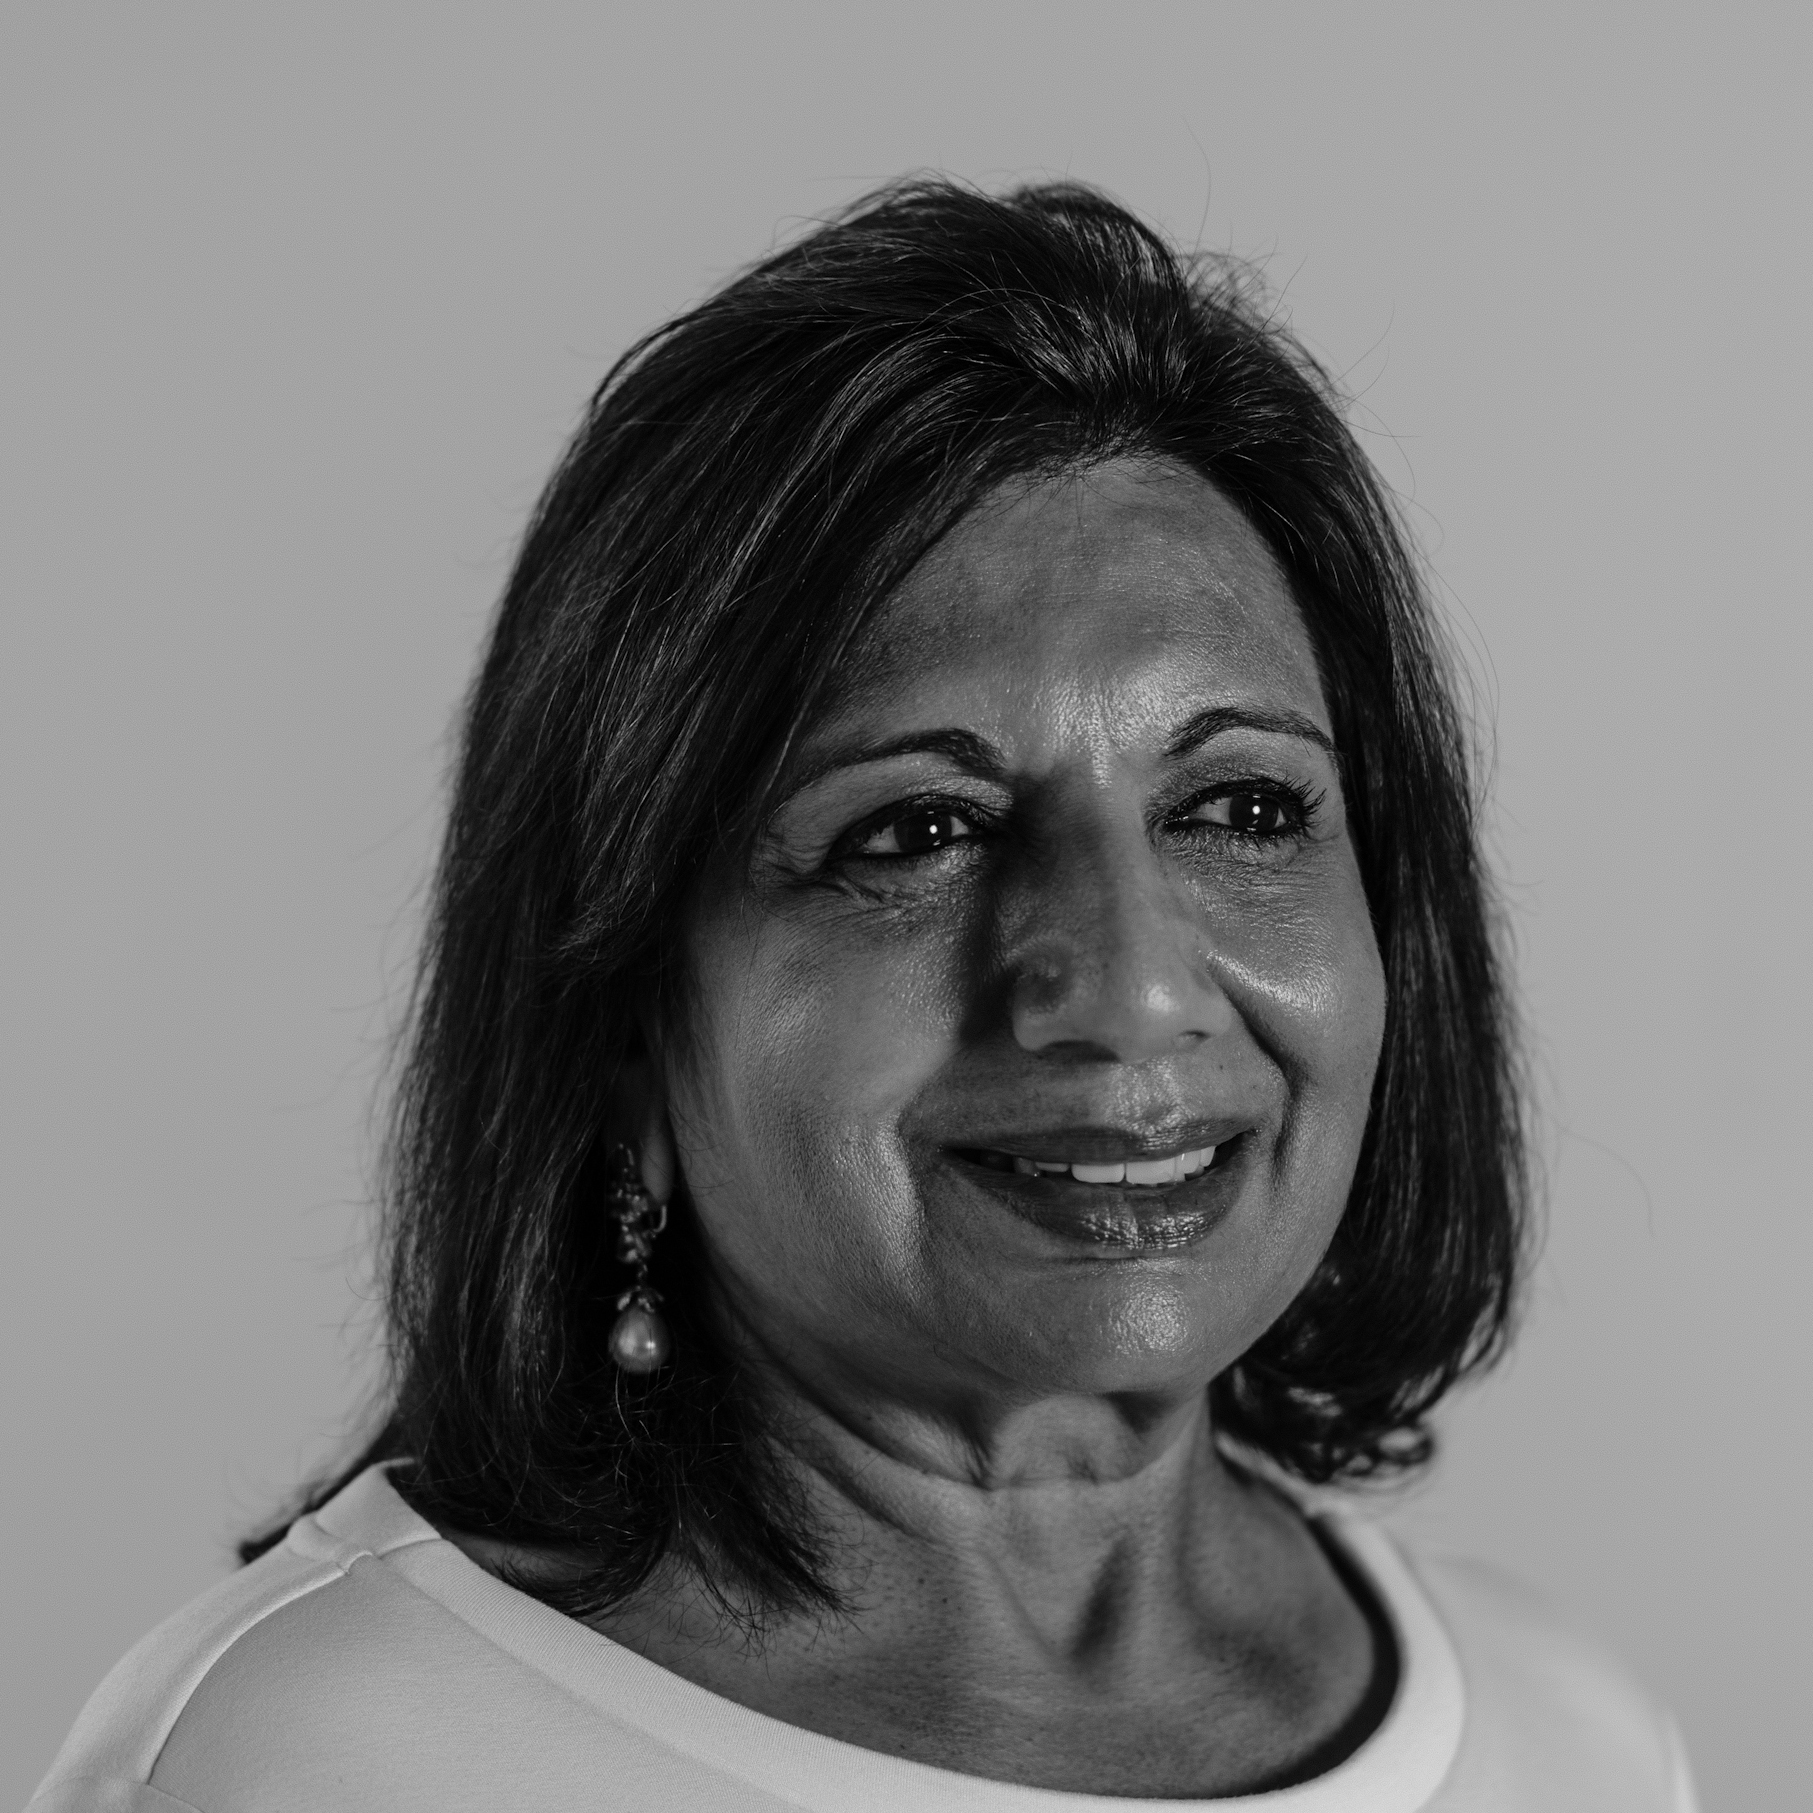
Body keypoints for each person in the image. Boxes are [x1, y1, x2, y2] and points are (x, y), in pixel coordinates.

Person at [33, 179, 1697, 1811]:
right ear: (617, 1020)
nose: (1122, 989)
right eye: (917, 830)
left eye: (1239, 807)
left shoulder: (1576, 1745)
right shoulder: (297, 1768)